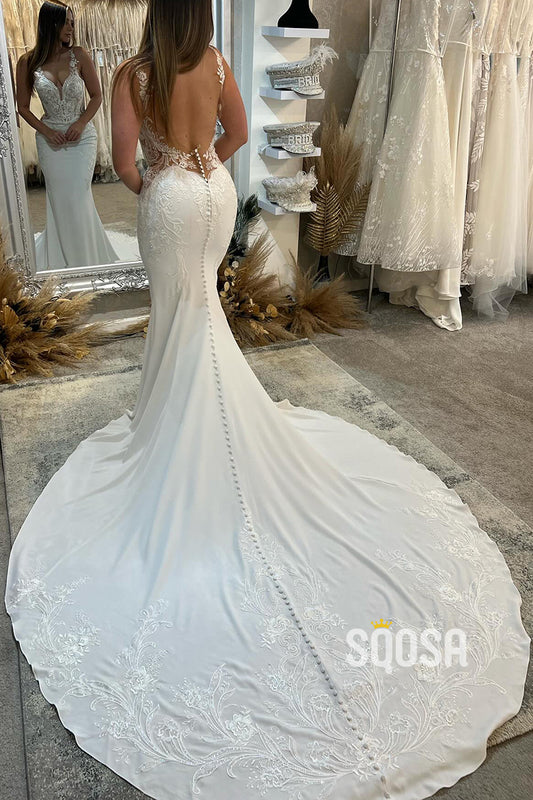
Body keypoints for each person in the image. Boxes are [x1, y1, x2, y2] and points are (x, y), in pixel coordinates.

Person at [4, 1, 530, 799]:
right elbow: (240, 135)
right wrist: (201, 168)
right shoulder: (215, 64)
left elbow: (126, 164)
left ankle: (173, 416)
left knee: (179, 312)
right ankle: (188, 405)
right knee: (202, 310)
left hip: (169, 200)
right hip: (214, 193)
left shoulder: (135, 73)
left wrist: (163, 182)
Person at [16, 1, 119, 269]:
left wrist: (81, 123)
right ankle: (62, 258)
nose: (71, 28)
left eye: (72, 23)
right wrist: (47, 131)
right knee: (60, 198)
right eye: (66, 22)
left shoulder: (79, 55)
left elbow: (96, 96)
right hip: (50, 141)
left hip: (81, 139)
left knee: (78, 196)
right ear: (50, 23)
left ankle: (86, 258)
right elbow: (22, 107)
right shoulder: (27, 62)